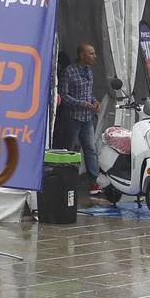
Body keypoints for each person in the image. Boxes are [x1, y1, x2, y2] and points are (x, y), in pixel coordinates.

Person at [59, 42, 102, 194]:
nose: (94, 56)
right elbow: (63, 96)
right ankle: (65, 182)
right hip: (73, 118)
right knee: (70, 151)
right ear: (81, 56)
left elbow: (88, 92)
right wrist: (82, 104)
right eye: (91, 53)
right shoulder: (69, 72)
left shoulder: (89, 70)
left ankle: (94, 183)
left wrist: (94, 101)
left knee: (90, 149)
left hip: (87, 118)